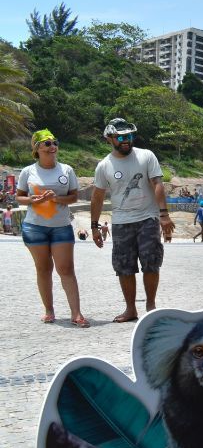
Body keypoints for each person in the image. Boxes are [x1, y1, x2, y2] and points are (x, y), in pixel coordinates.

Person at [90, 118, 175, 323]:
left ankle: (151, 306)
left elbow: (157, 184)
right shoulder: (104, 166)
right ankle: (130, 309)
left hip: (148, 217)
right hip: (120, 221)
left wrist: (163, 215)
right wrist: (94, 226)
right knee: (124, 266)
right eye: (120, 137)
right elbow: (98, 196)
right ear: (109, 138)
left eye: (128, 136)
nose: (125, 141)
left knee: (151, 262)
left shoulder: (146, 156)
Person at [16, 129, 89, 326]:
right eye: (47, 143)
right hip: (34, 227)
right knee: (43, 268)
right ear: (37, 148)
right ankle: (49, 310)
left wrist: (55, 198)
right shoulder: (27, 171)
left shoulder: (66, 170)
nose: (52, 146)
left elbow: (74, 196)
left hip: (61, 226)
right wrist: (32, 199)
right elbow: (19, 197)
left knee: (66, 269)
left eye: (54, 142)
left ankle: (76, 313)